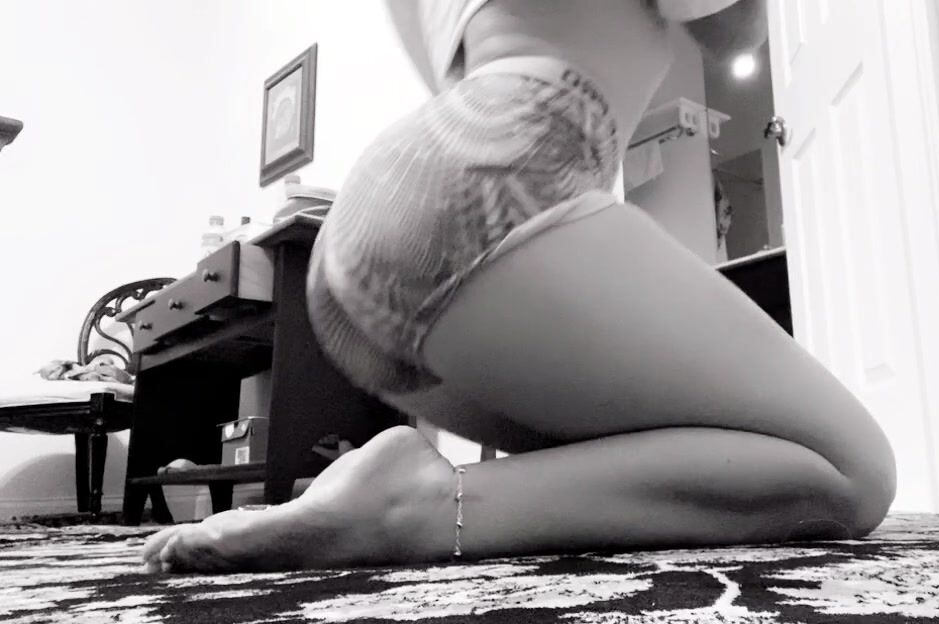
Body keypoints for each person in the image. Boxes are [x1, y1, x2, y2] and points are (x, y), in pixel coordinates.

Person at [142, 0, 896, 573]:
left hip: (366, 242)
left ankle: (392, 489)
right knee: (851, 471)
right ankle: (418, 506)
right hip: (514, 164)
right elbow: (735, 29)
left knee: (651, 455)